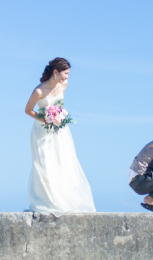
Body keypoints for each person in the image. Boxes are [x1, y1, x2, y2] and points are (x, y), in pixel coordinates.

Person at [24, 57, 96, 216]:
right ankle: (48, 201)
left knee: (62, 162)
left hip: (60, 130)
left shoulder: (64, 85)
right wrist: (47, 119)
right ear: (55, 72)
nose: (67, 77)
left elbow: (60, 106)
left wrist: (59, 116)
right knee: (45, 164)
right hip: (42, 131)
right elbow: (28, 110)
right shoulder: (39, 91)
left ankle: (63, 200)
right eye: (65, 73)